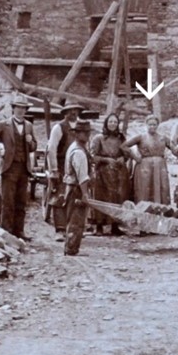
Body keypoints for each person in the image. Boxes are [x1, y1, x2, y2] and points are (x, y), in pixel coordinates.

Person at [0, 96, 36, 240]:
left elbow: (34, 147)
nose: (20, 110)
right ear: (13, 108)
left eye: (23, 108)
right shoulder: (4, 124)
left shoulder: (29, 125)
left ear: (26, 110)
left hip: (24, 168)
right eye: (18, 107)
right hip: (10, 168)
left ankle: (19, 232)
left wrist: (30, 142)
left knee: (21, 202)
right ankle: (6, 232)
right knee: (8, 202)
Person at [89, 113, 130, 235]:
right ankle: (99, 226)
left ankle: (115, 225)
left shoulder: (121, 138)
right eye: (110, 121)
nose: (113, 124)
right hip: (103, 172)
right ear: (106, 123)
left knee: (117, 197)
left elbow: (127, 153)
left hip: (119, 173)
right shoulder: (99, 138)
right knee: (101, 197)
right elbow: (92, 155)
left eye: (115, 122)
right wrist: (105, 159)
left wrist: (123, 158)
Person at [46, 103, 84, 236]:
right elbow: (51, 149)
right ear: (65, 112)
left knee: (76, 196)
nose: (73, 112)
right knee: (60, 196)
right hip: (62, 165)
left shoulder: (81, 126)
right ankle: (60, 229)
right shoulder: (59, 127)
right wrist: (54, 169)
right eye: (70, 110)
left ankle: (72, 227)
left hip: (78, 166)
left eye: (76, 110)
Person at [124, 114, 173, 207]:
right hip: (144, 167)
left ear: (158, 125)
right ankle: (142, 208)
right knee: (144, 188)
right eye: (150, 124)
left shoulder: (163, 137)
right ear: (146, 125)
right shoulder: (140, 137)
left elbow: (174, 148)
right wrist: (135, 156)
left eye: (154, 124)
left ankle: (160, 209)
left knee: (162, 187)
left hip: (160, 167)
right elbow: (124, 146)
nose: (152, 127)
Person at [61, 120, 93, 256]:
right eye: (83, 133)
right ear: (76, 134)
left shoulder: (77, 147)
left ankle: (71, 247)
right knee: (76, 220)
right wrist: (85, 194)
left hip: (73, 187)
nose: (86, 136)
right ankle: (71, 248)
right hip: (76, 189)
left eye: (87, 133)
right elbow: (82, 176)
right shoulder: (78, 152)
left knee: (75, 219)